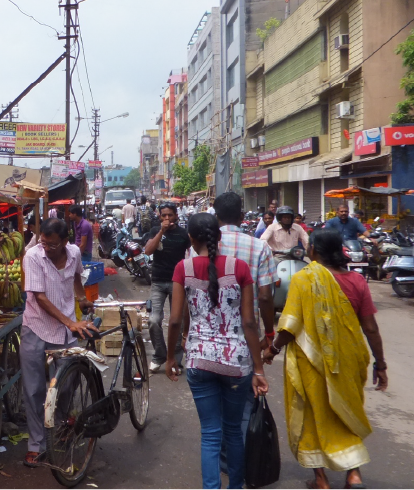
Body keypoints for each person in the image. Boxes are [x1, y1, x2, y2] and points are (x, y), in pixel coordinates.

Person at [262, 228, 388, 490]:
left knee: (312, 414)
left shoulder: (304, 279)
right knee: (346, 411)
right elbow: (371, 328)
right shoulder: (357, 281)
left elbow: (289, 326)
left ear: (314, 251)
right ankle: (354, 475)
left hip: (311, 363)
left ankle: (321, 479)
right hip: (349, 360)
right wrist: (381, 363)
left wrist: (272, 350)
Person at [166, 213, 269, 490]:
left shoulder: (182, 268)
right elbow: (249, 322)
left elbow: (175, 319)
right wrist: (258, 370)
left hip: (199, 361)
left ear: (191, 238)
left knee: (210, 434)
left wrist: (169, 358)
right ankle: (235, 486)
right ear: (219, 236)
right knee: (234, 431)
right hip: (236, 364)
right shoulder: (240, 268)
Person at [20, 218, 96, 467]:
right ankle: (36, 444)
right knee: (34, 390)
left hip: (65, 328)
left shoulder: (74, 253)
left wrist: (81, 297)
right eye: (43, 242)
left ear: (65, 242)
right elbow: (39, 297)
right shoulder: (33, 256)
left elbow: (76, 276)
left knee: (65, 383)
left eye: (52, 245)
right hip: (36, 326)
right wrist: (69, 322)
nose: (46, 248)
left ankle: (61, 426)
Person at [143, 203, 191, 372]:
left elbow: (193, 253)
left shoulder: (183, 234)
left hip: (177, 282)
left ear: (176, 215)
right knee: (153, 320)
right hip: (157, 281)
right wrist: (161, 232)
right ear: (159, 216)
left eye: (170, 215)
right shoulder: (155, 231)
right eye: (163, 216)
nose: (167, 219)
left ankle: (176, 358)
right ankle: (160, 354)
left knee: (176, 320)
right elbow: (148, 251)